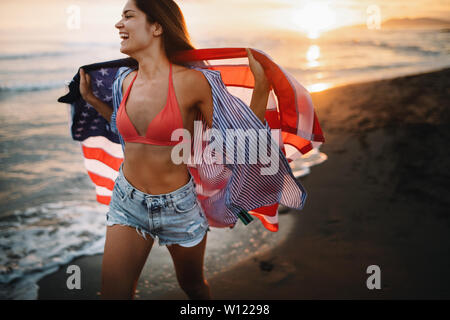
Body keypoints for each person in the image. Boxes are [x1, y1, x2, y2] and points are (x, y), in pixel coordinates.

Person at [78, 0, 271, 300]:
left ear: (157, 26)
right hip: (126, 202)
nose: (119, 24)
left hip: (179, 208)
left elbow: (239, 140)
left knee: (193, 287)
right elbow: (124, 129)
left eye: (128, 16)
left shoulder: (193, 83)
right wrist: (91, 99)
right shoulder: (123, 81)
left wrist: (262, 87)